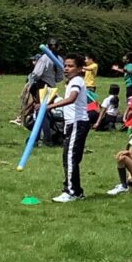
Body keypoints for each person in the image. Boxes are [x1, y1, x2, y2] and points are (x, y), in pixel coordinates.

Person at [50, 53, 91, 203]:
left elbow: (72, 98)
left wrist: (50, 106)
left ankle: (72, 192)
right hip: (72, 123)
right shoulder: (73, 81)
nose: (66, 68)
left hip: (77, 123)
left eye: (71, 66)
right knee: (69, 158)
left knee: (70, 158)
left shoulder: (77, 81)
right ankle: (76, 191)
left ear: (80, 68)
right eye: (65, 65)